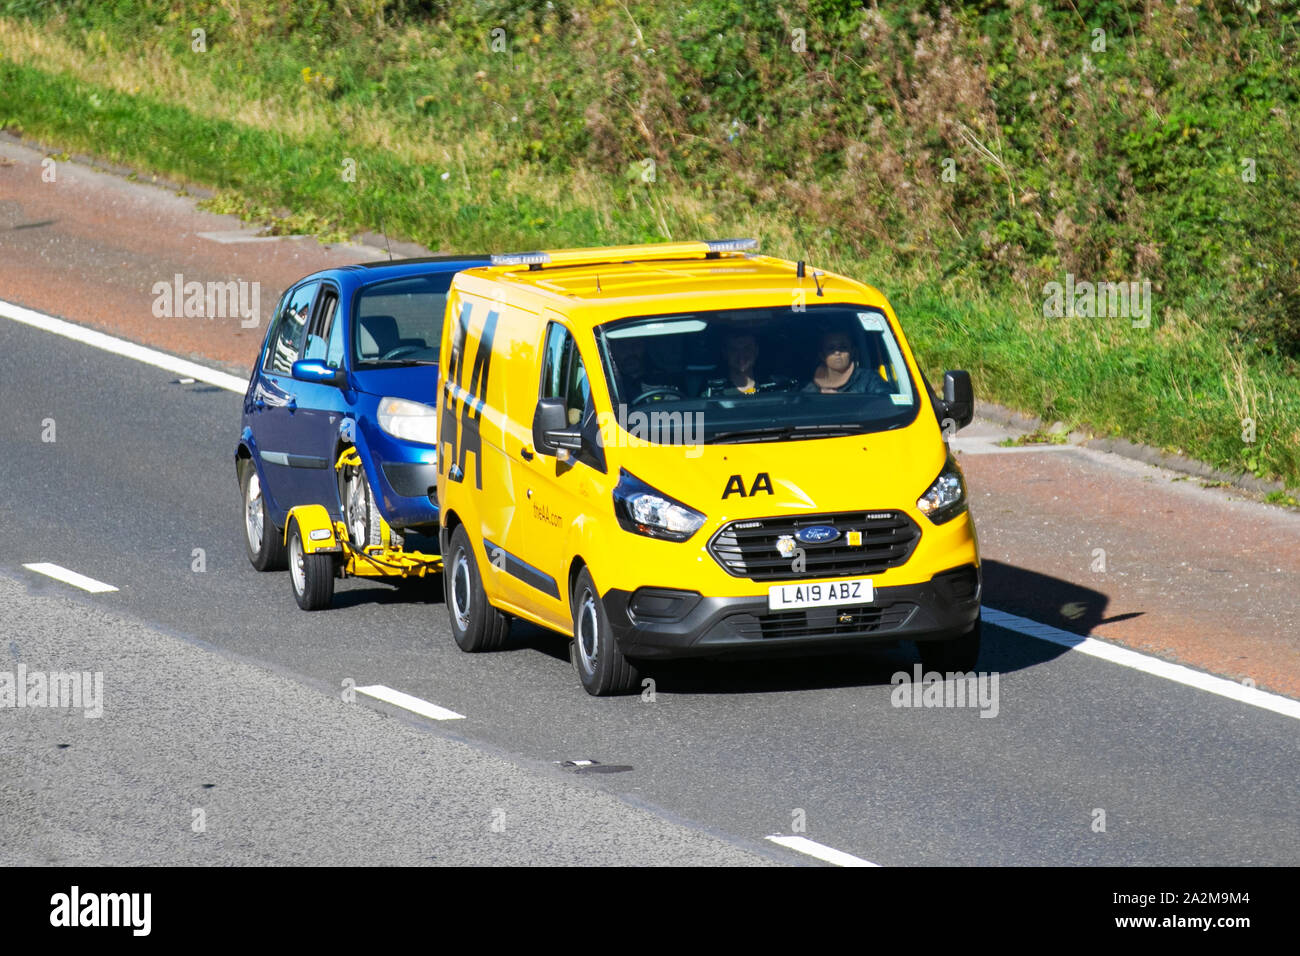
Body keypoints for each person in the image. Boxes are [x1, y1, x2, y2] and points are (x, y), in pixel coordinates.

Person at [804, 331, 886, 394]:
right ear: (822, 355)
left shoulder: (869, 379)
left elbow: (886, 402)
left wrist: (847, 400)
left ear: (852, 352)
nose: (837, 352)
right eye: (831, 348)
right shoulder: (810, 388)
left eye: (843, 347)